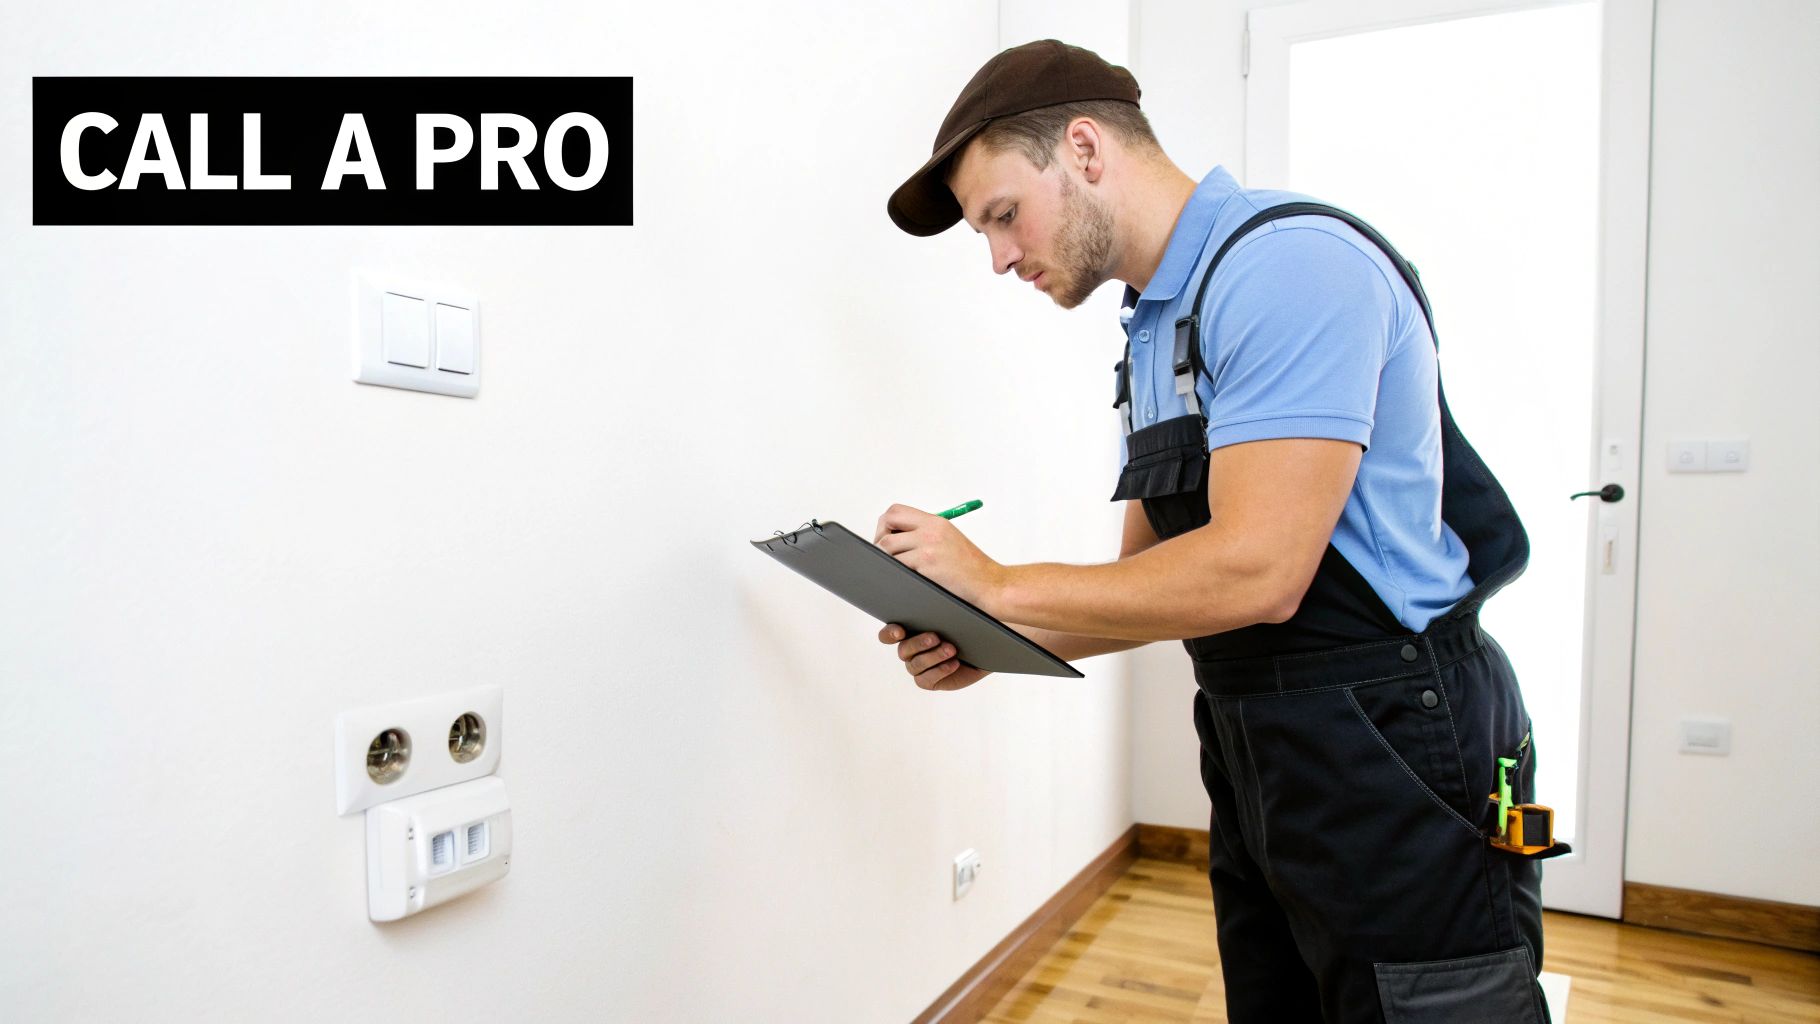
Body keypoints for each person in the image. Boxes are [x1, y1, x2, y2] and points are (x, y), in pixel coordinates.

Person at [873, 39, 1555, 1024]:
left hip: (1395, 741)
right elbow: (1147, 590)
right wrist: (982, 640)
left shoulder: (1288, 269)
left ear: (1083, 149)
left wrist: (997, 583)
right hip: (1256, 750)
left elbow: (1257, 570)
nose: (999, 258)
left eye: (1002, 216)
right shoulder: (1153, 330)